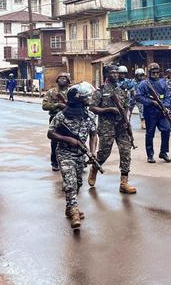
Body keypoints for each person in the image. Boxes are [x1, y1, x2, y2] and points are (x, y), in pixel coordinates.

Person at [47, 84, 98, 229]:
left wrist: (93, 152)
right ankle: (74, 211)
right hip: (64, 153)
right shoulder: (62, 115)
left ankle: (69, 207)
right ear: (79, 99)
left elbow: (94, 134)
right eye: (87, 97)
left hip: (81, 155)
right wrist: (68, 139)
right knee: (69, 183)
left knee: (78, 183)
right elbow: (50, 133)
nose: (89, 99)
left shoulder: (90, 115)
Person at [89, 65, 137, 193]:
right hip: (107, 127)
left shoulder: (123, 90)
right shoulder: (101, 90)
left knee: (126, 152)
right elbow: (92, 107)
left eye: (117, 72)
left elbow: (127, 106)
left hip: (122, 126)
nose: (116, 75)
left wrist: (126, 120)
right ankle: (94, 168)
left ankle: (124, 182)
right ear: (106, 74)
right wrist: (108, 110)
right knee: (104, 152)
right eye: (113, 73)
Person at [135, 63, 171, 163]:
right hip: (150, 112)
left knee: (166, 129)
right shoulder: (144, 84)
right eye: (153, 73)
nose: (155, 74)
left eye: (157, 72)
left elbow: (168, 96)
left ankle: (163, 152)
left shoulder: (163, 83)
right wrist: (151, 102)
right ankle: (150, 155)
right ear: (149, 73)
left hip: (161, 112)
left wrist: (165, 106)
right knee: (150, 134)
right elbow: (138, 97)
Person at [42, 72, 72, 171]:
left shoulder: (72, 92)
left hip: (70, 119)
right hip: (55, 118)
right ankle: (55, 162)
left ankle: (74, 161)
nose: (62, 80)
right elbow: (44, 106)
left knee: (72, 140)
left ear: (68, 81)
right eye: (60, 78)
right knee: (55, 141)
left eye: (64, 78)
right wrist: (57, 105)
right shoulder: (51, 92)